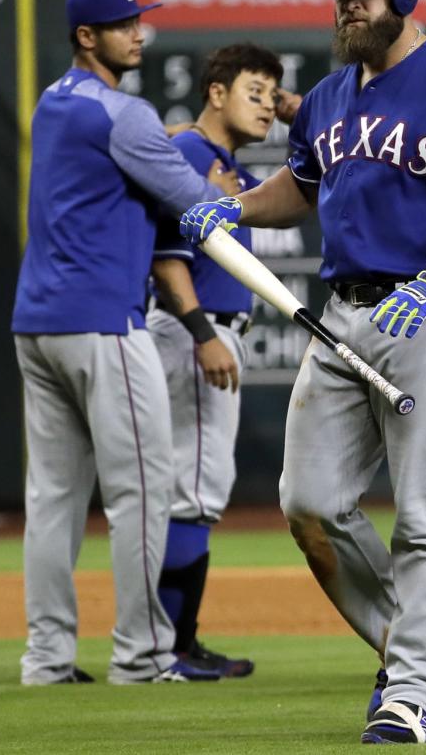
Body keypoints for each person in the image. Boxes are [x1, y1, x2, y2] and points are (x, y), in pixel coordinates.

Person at [179, 0, 426, 744]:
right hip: (341, 318)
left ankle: (413, 691)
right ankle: (411, 645)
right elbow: (298, 189)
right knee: (308, 501)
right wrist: (236, 207)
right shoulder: (329, 99)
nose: (345, 11)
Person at [12, 0, 237, 685]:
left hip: (37, 322)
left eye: (140, 19)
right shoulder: (125, 114)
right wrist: (233, 194)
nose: (140, 32)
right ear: (87, 36)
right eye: (125, 23)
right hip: (104, 321)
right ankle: (140, 655)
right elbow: (196, 198)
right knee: (141, 488)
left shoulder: (55, 101)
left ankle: (46, 659)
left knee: (52, 498)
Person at [149, 43, 297, 679]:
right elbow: (166, 252)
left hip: (200, 330)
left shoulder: (212, 159)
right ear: (216, 93)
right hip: (195, 330)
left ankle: (172, 642)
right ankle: (170, 649)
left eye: (272, 93)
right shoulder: (190, 155)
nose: (266, 104)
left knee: (190, 488)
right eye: (254, 90)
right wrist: (202, 333)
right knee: (193, 490)